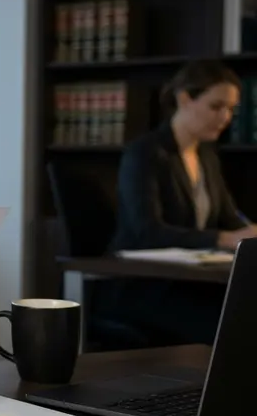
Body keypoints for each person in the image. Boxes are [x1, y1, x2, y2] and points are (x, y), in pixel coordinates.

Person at [103, 58, 256, 344]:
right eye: (216, 106)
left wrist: (250, 234)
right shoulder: (145, 153)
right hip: (145, 287)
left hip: (189, 283)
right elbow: (148, 232)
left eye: (231, 109)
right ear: (185, 99)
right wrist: (224, 238)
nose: (225, 117)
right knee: (232, 324)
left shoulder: (207, 157)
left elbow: (230, 219)